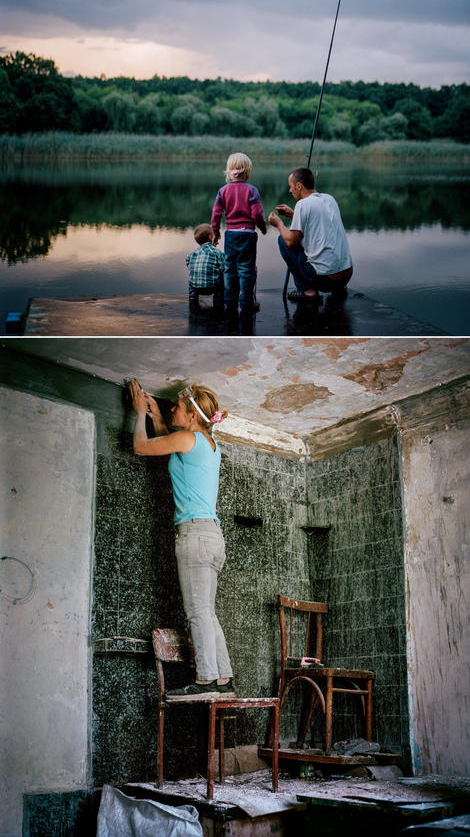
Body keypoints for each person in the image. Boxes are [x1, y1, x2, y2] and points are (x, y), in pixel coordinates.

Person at [129, 379, 234, 699]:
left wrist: (138, 415)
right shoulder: (204, 443)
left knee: (198, 612)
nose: (173, 408)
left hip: (195, 536)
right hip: (212, 538)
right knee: (207, 611)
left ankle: (204, 681)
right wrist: (158, 417)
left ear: (191, 417)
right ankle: (223, 680)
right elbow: (171, 442)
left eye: (178, 406)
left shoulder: (188, 438)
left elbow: (141, 447)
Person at [268, 166, 353, 301]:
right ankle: (337, 288)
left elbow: (291, 242)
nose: (290, 190)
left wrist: (279, 224)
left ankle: (308, 291)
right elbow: (318, 219)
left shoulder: (303, 204)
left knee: (282, 240)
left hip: (326, 280)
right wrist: (294, 215)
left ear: (299, 186)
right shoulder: (329, 199)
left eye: (291, 187)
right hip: (346, 276)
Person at [211, 152, 268, 316]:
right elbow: (257, 214)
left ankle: (230, 302)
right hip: (248, 234)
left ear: (230, 172)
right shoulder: (252, 190)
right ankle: (246, 303)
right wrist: (263, 227)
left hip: (231, 235)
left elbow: (216, 214)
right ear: (247, 171)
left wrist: (215, 233)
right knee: (247, 269)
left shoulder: (223, 191)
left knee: (229, 268)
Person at [185, 223, 225, 313]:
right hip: (212, 287)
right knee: (223, 276)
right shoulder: (217, 252)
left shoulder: (193, 253)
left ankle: (192, 298)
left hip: (196, 287)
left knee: (192, 276)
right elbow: (224, 267)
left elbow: (188, 262)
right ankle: (218, 300)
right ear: (210, 237)